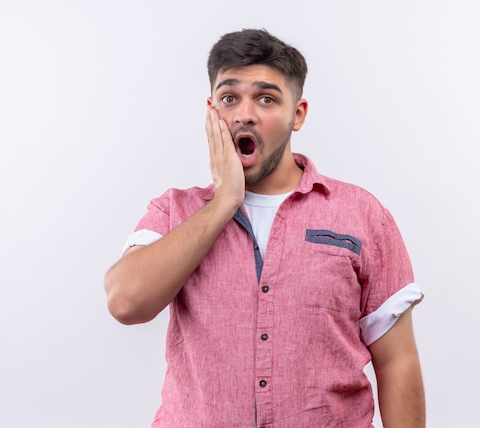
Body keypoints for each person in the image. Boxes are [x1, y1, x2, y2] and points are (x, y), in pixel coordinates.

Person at [105, 29, 426, 428]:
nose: (244, 114)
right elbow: (125, 302)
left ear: (298, 114)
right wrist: (224, 201)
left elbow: (397, 361)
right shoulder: (174, 210)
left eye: (266, 98)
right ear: (211, 112)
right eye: (229, 98)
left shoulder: (362, 214)